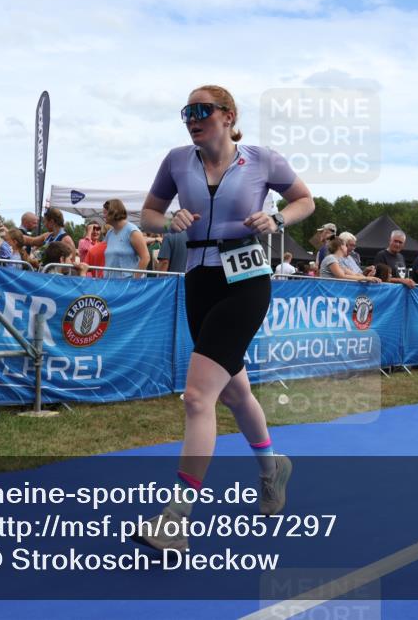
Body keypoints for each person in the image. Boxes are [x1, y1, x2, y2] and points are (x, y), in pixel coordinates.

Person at [138, 84, 314, 551]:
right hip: (198, 281)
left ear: (228, 114)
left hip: (246, 282)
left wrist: (277, 220)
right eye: (186, 112)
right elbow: (148, 215)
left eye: (202, 110)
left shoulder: (261, 159)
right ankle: (273, 466)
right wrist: (167, 221)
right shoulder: (177, 160)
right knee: (234, 392)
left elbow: (305, 201)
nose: (192, 119)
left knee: (198, 397)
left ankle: (175, 517)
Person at [101, 198, 149, 278]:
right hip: (111, 283)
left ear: (113, 212)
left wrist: (134, 281)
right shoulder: (109, 233)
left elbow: (145, 257)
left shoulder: (132, 231)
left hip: (128, 285)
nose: (103, 216)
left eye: (105, 213)